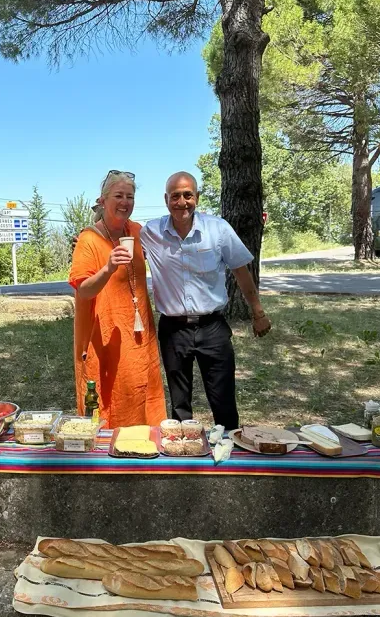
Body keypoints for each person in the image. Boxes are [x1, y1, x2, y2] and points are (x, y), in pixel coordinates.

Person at [140, 171, 272, 430]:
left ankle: (230, 451)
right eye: (175, 196)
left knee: (223, 398)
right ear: (166, 199)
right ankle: (183, 454)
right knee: (179, 404)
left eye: (188, 195)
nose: (182, 202)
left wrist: (258, 313)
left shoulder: (218, 229)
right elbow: (118, 240)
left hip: (212, 328)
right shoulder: (150, 233)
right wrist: (90, 234)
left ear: (197, 197)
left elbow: (241, 273)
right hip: (173, 329)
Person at [69, 171, 167, 428]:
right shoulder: (88, 240)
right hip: (104, 336)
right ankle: (107, 455)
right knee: (108, 393)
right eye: (118, 196)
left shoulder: (136, 230)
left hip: (137, 332)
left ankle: (144, 443)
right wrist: (108, 268)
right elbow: (84, 290)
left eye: (130, 197)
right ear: (102, 201)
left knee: (140, 387)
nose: (124, 202)